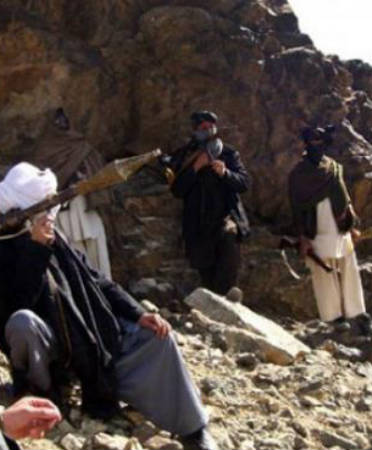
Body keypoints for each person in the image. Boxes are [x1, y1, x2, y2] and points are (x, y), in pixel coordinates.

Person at [0, 163, 217, 450]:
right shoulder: (5, 246)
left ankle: (191, 427)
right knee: (22, 322)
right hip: (48, 348)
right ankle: (41, 396)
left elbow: (95, 281)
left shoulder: (55, 238)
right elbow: (15, 303)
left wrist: (138, 313)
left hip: (86, 338)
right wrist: (36, 250)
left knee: (156, 338)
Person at [288, 125, 372, 336]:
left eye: (320, 141)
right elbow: (296, 206)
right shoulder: (298, 174)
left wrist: (352, 223)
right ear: (306, 144)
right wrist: (302, 237)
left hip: (340, 222)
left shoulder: (334, 167)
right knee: (322, 268)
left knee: (349, 265)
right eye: (313, 141)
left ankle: (358, 313)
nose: (317, 145)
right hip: (315, 223)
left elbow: (344, 195)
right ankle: (333, 317)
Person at [170, 111, 250, 300]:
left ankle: (227, 305)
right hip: (197, 225)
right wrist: (196, 167)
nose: (207, 130)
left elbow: (244, 183)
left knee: (228, 268)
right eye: (202, 127)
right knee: (207, 277)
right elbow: (177, 190)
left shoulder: (228, 153)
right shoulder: (184, 155)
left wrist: (225, 173)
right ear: (195, 130)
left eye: (210, 126)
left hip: (225, 221)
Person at [26, 107, 112, 279]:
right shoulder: (44, 150)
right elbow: (39, 182)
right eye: (57, 121)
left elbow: (98, 174)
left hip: (85, 208)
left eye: (64, 120)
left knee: (97, 255)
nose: (62, 124)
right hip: (61, 213)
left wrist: (83, 175)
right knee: (73, 259)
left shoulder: (82, 146)